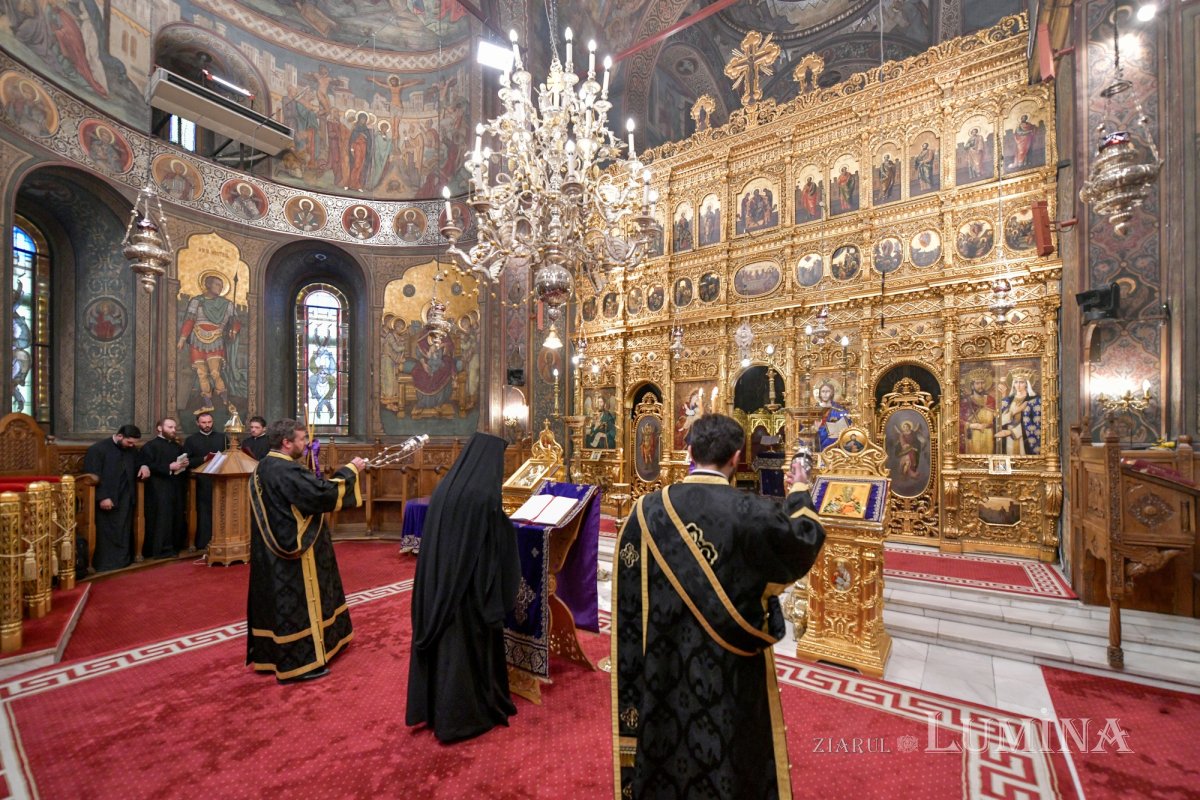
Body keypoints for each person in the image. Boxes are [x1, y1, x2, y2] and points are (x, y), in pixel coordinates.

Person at [612, 413, 825, 799]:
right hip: (731, 669)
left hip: (665, 663)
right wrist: (799, 492)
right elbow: (804, 538)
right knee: (729, 746)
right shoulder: (754, 513)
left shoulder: (646, 512)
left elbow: (630, 600)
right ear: (737, 458)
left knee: (666, 739)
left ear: (688, 450)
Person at [406, 433, 519, 742]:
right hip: (465, 595)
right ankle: (461, 718)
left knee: (446, 650)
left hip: (440, 586)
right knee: (461, 655)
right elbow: (491, 549)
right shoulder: (483, 496)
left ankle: (434, 711)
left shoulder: (448, 487)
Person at [247, 419, 365, 683]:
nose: (306, 443)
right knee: (296, 605)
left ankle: (274, 655)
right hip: (295, 552)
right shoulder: (286, 470)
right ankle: (299, 664)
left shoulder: (263, 466)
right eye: (302, 439)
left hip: (269, 553)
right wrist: (350, 471)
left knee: (277, 603)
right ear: (286, 443)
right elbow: (319, 495)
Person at [178, 273, 242, 415]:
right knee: (202, 373)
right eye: (217, 284)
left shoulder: (227, 304)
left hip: (216, 339)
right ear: (208, 285)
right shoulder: (197, 301)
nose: (220, 287)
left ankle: (226, 402)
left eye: (222, 285)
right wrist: (183, 338)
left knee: (215, 372)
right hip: (197, 339)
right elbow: (189, 320)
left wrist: (233, 330)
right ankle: (208, 404)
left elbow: (236, 321)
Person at [82, 424, 142, 571]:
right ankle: (106, 564)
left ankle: (122, 561)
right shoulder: (98, 449)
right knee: (107, 532)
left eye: (134, 443)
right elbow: (92, 475)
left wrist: (144, 466)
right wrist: (102, 497)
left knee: (124, 530)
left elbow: (138, 463)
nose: (132, 446)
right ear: (120, 436)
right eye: (129, 442)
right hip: (107, 497)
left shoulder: (131, 449)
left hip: (125, 496)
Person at [137, 417, 189, 558]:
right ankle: (158, 550)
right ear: (160, 428)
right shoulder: (150, 446)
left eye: (174, 427)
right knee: (161, 518)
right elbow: (146, 464)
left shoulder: (177, 447)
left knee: (175, 517)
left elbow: (179, 465)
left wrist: (183, 464)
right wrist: (169, 467)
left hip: (175, 487)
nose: (174, 430)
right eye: (170, 427)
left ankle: (173, 547)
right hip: (157, 488)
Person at [184, 411, 228, 551]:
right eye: (203, 423)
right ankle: (203, 543)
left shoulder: (222, 438)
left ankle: (222, 539)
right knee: (204, 512)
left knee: (222, 510)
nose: (207, 425)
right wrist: (202, 459)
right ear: (198, 423)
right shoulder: (191, 440)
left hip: (221, 478)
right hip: (201, 481)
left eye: (209, 422)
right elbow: (187, 461)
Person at [995, 369, 1042, 455]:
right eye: (1016, 382)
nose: (1018, 385)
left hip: (1023, 437)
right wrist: (1015, 411)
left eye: (1021, 382)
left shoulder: (1035, 400)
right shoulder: (1007, 400)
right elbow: (1000, 421)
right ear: (1013, 384)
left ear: (1027, 384)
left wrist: (1012, 432)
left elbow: (1036, 425)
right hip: (1008, 438)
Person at [960, 369, 996, 454]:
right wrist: (972, 425)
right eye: (977, 383)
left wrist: (988, 424)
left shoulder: (991, 400)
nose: (980, 386)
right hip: (973, 434)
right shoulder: (966, 401)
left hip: (988, 435)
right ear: (972, 385)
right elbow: (959, 420)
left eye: (982, 383)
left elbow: (997, 420)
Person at [816, 381, 851, 449]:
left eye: (827, 391)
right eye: (823, 391)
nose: (825, 394)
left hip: (832, 438)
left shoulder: (838, 409)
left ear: (832, 393)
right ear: (820, 394)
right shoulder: (814, 408)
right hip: (818, 434)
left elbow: (845, 422)